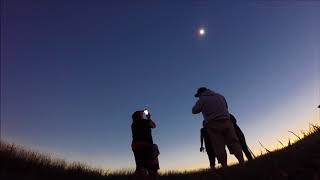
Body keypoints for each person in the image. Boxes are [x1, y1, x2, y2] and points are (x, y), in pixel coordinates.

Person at [192, 87, 244, 168]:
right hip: (227, 121)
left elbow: (194, 111)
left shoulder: (202, 99)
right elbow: (226, 107)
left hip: (213, 125)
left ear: (200, 93)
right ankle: (242, 163)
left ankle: (225, 168)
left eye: (198, 95)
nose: (198, 97)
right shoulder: (220, 96)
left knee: (219, 146)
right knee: (234, 142)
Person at [131, 110, 159, 180]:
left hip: (136, 146)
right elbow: (154, 125)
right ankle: (153, 175)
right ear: (140, 116)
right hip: (147, 145)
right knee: (153, 167)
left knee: (140, 167)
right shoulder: (145, 122)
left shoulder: (133, 125)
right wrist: (148, 117)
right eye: (142, 114)